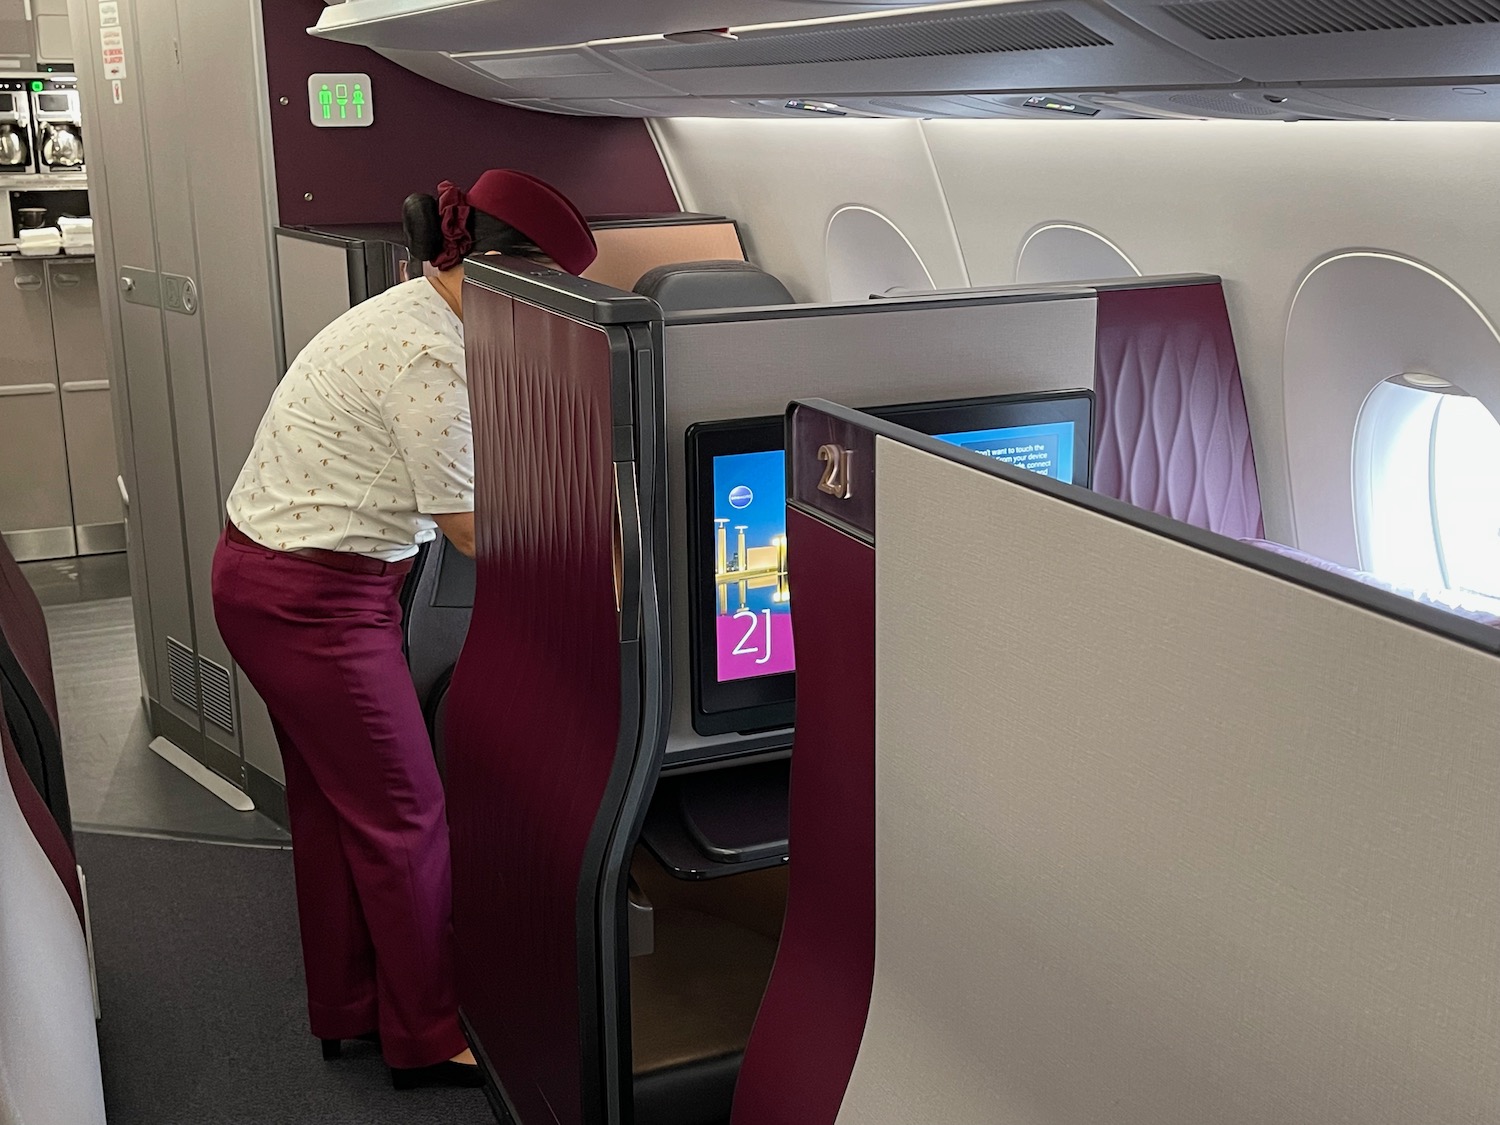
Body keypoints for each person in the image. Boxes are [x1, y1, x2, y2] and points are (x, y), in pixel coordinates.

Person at [211, 170, 598, 1090]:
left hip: (281, 578)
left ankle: (350, 1006)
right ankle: (428, 1033)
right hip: (313, 601)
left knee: (332, 806)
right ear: (509, 276)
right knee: (407, 816)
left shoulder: (420, 312)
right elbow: (465, 527)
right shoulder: (432, 355)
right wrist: (597, 546)